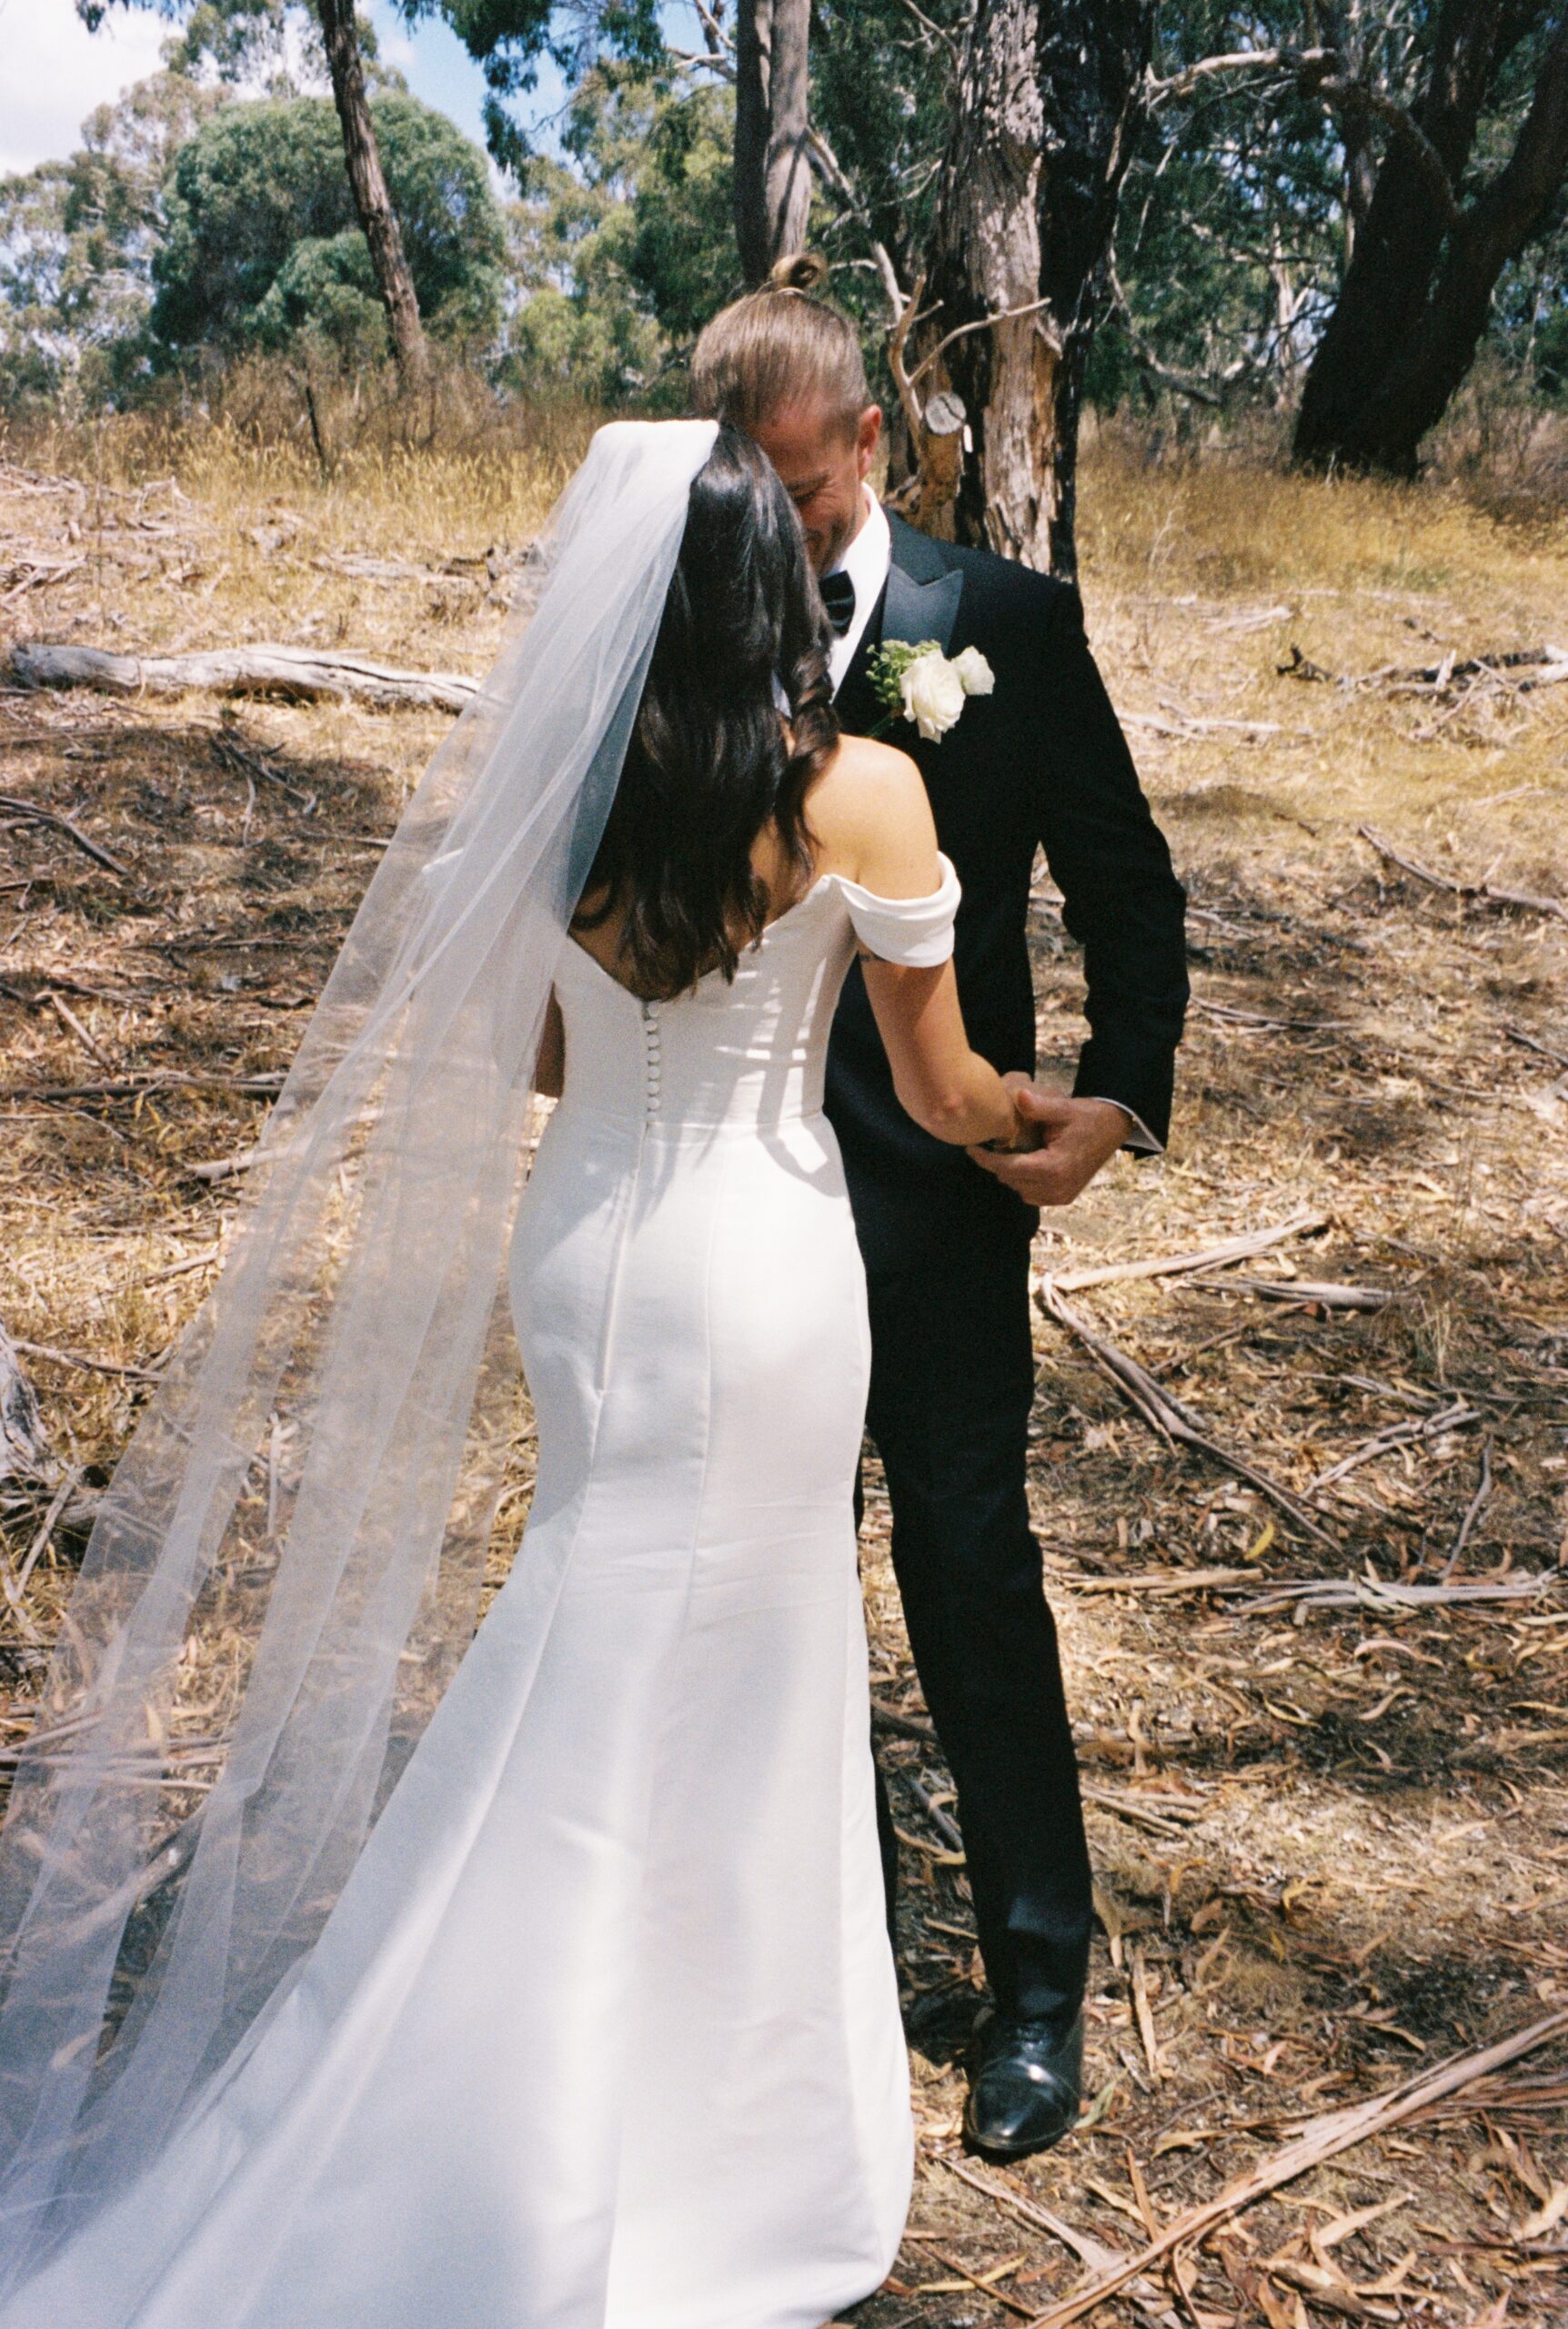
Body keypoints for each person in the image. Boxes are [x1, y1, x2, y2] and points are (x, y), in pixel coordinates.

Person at [0, 421, 1040, 2326]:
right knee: (754, 1651)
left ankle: (536, 2082)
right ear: (773, 591)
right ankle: (695, 2136)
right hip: (765, 1258)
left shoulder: (560, 801)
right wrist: (1062, 1122)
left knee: (597, 1619)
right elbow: (941, 1086)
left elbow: (535, 1056)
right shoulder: (862, 793)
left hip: (590, 1246)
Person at [690, 258, 1190, 2160]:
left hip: (941, 1203)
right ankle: (800, 1967)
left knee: (968, 1572)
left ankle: (1036, 1988)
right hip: (739, 1201)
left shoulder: (1003, 624)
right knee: (767, 1579)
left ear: (877, 441)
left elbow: (1126, 885)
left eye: (808, 492)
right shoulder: (679, 630)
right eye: (750, 494)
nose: (780, 529)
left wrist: (1118, 1095)